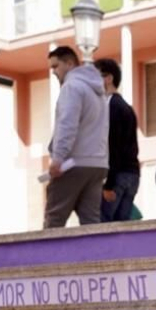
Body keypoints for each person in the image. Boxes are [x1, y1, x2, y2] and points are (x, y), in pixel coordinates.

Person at [43, 45, 108, 228]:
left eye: (56, 66)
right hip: (97, 164)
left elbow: (67, 124)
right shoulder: (99, 93)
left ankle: (48, 257)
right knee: (91, 224)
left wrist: (58, 158)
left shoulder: (71, 87)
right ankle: (96, 257)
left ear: (69, 63)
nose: (53, 72)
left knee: (54, 220)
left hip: (72, 163)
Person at [93, 57, 140, 223]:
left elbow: (113, 146)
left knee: (103, 226)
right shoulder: (125, 107)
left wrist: (109, 184)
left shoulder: (111, 107)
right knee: (122, 228)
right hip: (131, 175)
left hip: (117, 176)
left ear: (108, 78)